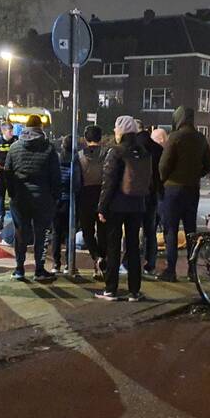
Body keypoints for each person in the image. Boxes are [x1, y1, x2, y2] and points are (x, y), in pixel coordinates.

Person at [96, 116, 151, 301]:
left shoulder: (116, 152)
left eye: (116, 128)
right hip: (137, 204)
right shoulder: (143, 151)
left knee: (113, 246)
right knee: (133, 247)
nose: (114, 131)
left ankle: (111, 289)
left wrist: (102, 207)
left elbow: (109, 182)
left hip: (117, 206)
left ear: (122, 131)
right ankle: (134, 291)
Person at [157, 106, 210, 282]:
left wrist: (163, 180)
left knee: (171, 230)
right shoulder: (200, 138)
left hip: (173, 190)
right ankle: (192, 270)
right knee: (191, 231)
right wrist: (195, 175)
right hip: (192, 189)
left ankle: (170, 270)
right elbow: (208, 166)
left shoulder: (175, 137)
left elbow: (163, 166)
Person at [3, 114, 60, 282]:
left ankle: (19, 268)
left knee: (20, 232)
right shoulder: (48, 148)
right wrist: (54, 197)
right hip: (42, 197)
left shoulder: (14, 147)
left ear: (25, 127)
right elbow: (55, 176)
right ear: (40, 128)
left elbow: (7, 173)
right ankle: (39, 270)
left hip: (20, 198)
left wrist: (12, 193)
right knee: (41, 234)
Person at [77, 124, 107, 278]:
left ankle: (96, 257)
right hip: (103, 194)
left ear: (85, 139)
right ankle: (103, 259)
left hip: (85, 195)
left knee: (87, 231)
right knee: (103, 231)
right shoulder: (107, 154)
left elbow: (76, 179)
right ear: (100, 138)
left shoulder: (80, 156)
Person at [136, 120, 164, 279]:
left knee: (132, 229)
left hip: (136, 193)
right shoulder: (158, 149)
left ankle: (129, 262)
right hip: (153, 193)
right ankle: (150, 264)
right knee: (150, 230)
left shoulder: (133, 148)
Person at [52, 134, 83, 274]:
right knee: (70, 233)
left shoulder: (57, 158)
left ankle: (56, 264)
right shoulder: (75, 160)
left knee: (56, 233)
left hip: (58, 200)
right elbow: (77, 182)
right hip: (71, 201)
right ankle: (69, 264)